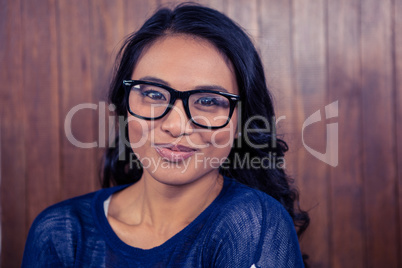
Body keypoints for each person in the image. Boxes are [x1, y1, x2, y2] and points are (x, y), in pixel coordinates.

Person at [22, 3, 309, 267]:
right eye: (154, 94)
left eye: (208, 101)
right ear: (125, 106)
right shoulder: (61, 231)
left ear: (241, 120)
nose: (176, 125)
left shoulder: (252, 224)